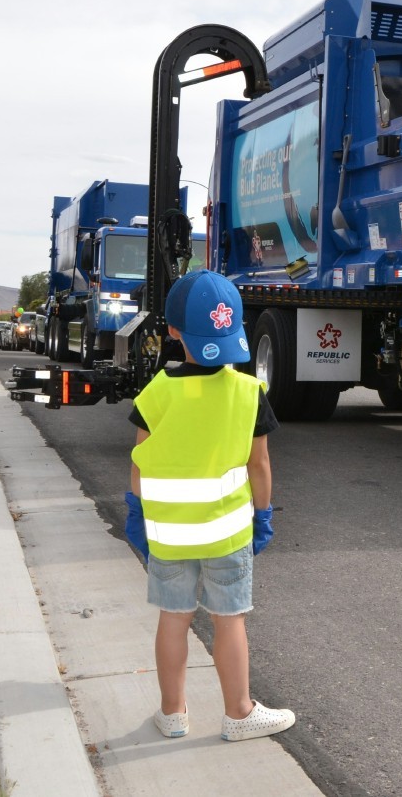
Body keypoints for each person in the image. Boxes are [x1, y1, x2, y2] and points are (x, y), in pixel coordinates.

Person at [123, 268, 295, 743]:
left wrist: (136, 513)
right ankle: (239, 714)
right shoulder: (248, 393)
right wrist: (262, 516)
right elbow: (259, 465)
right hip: (229, 534)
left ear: (173, 331)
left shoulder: (158, 391)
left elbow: (139, 461)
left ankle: (173, 713)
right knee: (229, 621)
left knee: (173, 620)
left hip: (170, 536)